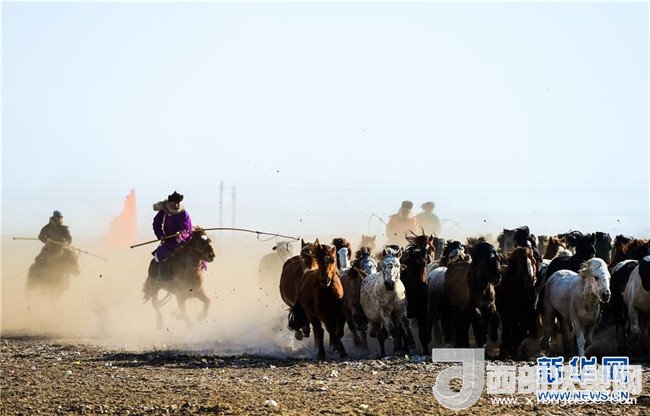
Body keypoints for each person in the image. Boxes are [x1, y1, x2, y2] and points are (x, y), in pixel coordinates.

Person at [152, 191, 193, 280]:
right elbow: (156, 224)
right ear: (170, 203)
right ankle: (161, 278)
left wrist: (181, 234)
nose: (176, 205)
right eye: (174, 203)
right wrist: (160, 235)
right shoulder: (164, 212)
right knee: (160, 257)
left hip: (184, 242)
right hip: (169, 242)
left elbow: (187, 228)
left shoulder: (184, 213)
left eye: (178, 203)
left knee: (198, 253)